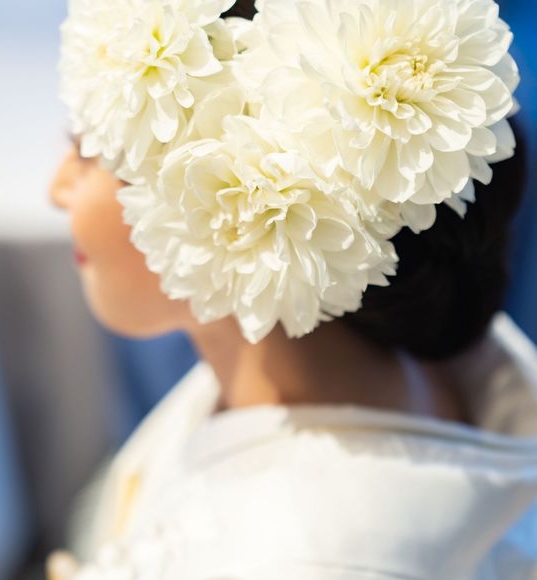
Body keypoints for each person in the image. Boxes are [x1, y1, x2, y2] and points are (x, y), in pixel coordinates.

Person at [47, 0, 537, 578]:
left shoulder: (312, 559)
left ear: (234, 177)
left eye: (87, 149)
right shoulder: (414, 366)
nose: (57, 189)